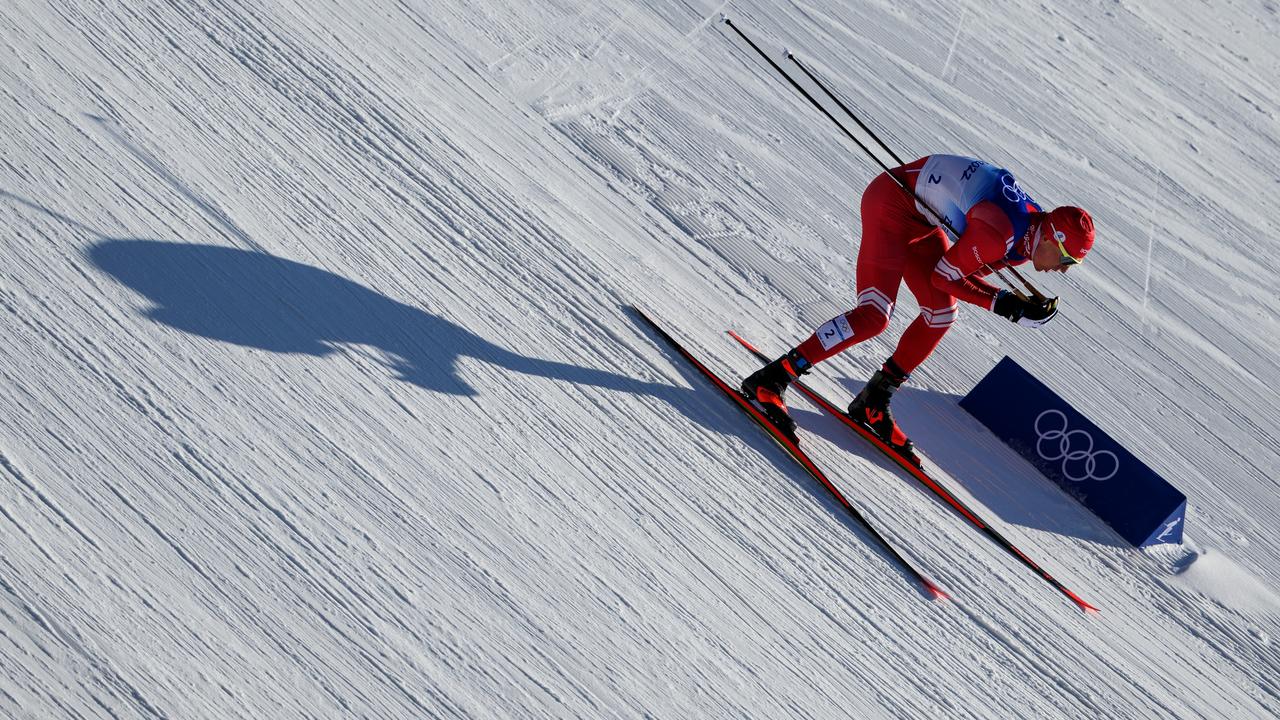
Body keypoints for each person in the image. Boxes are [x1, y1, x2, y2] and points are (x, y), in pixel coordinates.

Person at [741, 154, 1095, 459]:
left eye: (1071, 266)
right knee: (874, 316)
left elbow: (964, 271)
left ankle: (874, 399)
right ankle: (773, 377)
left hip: (923, 220)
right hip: (892, 205)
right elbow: (945, 276)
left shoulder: (1027, 235)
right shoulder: (1002, 233)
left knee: (941, 314)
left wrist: (1010, 303)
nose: (1062, 270)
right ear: (1051, 236)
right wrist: (1004, 305)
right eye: (1066, 260)